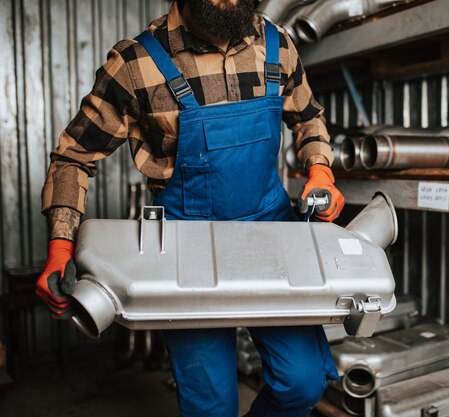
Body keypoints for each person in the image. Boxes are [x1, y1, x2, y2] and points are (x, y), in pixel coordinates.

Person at [35, 0, 345, 416]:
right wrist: (60, 244)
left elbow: (308, 118)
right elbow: (74, 156)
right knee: (210, 407)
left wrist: (320, 168)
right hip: (186, 251)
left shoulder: (277, 44)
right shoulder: (136, 62)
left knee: (302, 383)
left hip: (270, 237)